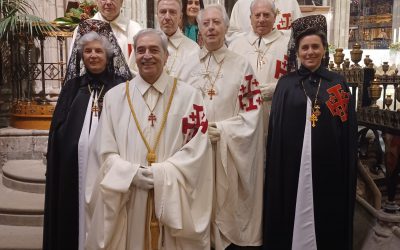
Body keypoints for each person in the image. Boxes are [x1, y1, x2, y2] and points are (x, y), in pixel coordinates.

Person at [85, 28, 213, 250]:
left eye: (154, 50)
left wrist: (163, 174)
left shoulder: (190, 96)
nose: (147, 55)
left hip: (173, 198)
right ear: (134, 55)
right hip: (129, 195)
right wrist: (130, 174)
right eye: (141, 50)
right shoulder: (115, 97)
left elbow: (198, 147)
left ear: (166, 56)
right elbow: (104, 152)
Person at [263, 15, 357, 250]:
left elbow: (345, 131)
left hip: (328, 168)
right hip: (291, 167)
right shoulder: (285, 85)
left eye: (315, 46)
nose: (310, 52)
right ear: (297, 51)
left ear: (324, 49)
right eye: (305, 47)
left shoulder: (337, 83)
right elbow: (276, 133)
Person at [179, 4, 264, 250]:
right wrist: (198, 131)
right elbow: (178, 107)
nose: (211, 28)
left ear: (226, 28)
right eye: (206, 24)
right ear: (199, 29)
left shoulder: (242, 65)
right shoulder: (186, 65)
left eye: (217, 23)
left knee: (227, 202)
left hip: (229, 149)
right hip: (196, 149)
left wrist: (224, 130)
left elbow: (253, 110)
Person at [43, 19, 132, 250]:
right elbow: (58, 132)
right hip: (75, 172)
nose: (93, 55)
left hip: (111, 170)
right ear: (81, 55)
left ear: (109, 54)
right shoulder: (73, 88)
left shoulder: (123, 87)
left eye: (98, 50)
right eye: (88, 51)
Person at [229, 0, 289, 134]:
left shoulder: (288, 45)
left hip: (276, 109)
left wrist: (277, 88)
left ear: (275, 17)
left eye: (266, 15)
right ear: (250, 18)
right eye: (257, 15)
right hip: (243, 113)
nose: (262, 19)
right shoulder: (236, 45)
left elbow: (296, 78)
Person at [128, 0, 199, 78]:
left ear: (180, 17)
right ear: (157, 15)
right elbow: (131, 75)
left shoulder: (193, 49)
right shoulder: (142, 43)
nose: (167, 17)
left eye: (172, 12)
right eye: (163, 12)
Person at [70, 0, 142, 64]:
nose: (108, 2)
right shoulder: (84, 29)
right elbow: (74, 63)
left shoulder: (135, 29)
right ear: (96, 1)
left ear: (122, 2)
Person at [226, 0, 302, 43]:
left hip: (282, 54)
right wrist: (252, 39)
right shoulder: (241, 4)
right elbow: (231, 35)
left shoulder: (290, 2)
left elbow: (300, 31)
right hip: (250, 56)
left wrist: (277, 36)